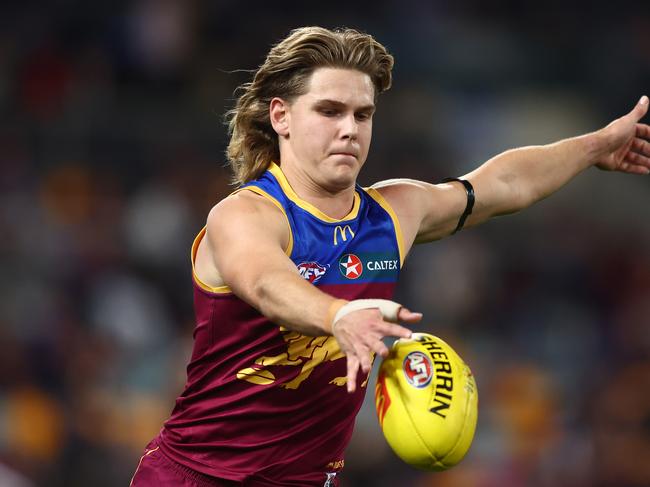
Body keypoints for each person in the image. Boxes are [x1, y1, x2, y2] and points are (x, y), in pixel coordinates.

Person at [130, 26, 650, 487]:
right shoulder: (247, 215)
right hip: (197, 477)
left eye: (363, 114)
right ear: (281, 116)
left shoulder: (394, 212)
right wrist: (338, 315)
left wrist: (595, 147)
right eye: (329, 111)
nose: (350, 129)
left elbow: (502, 184)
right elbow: (266, 282)